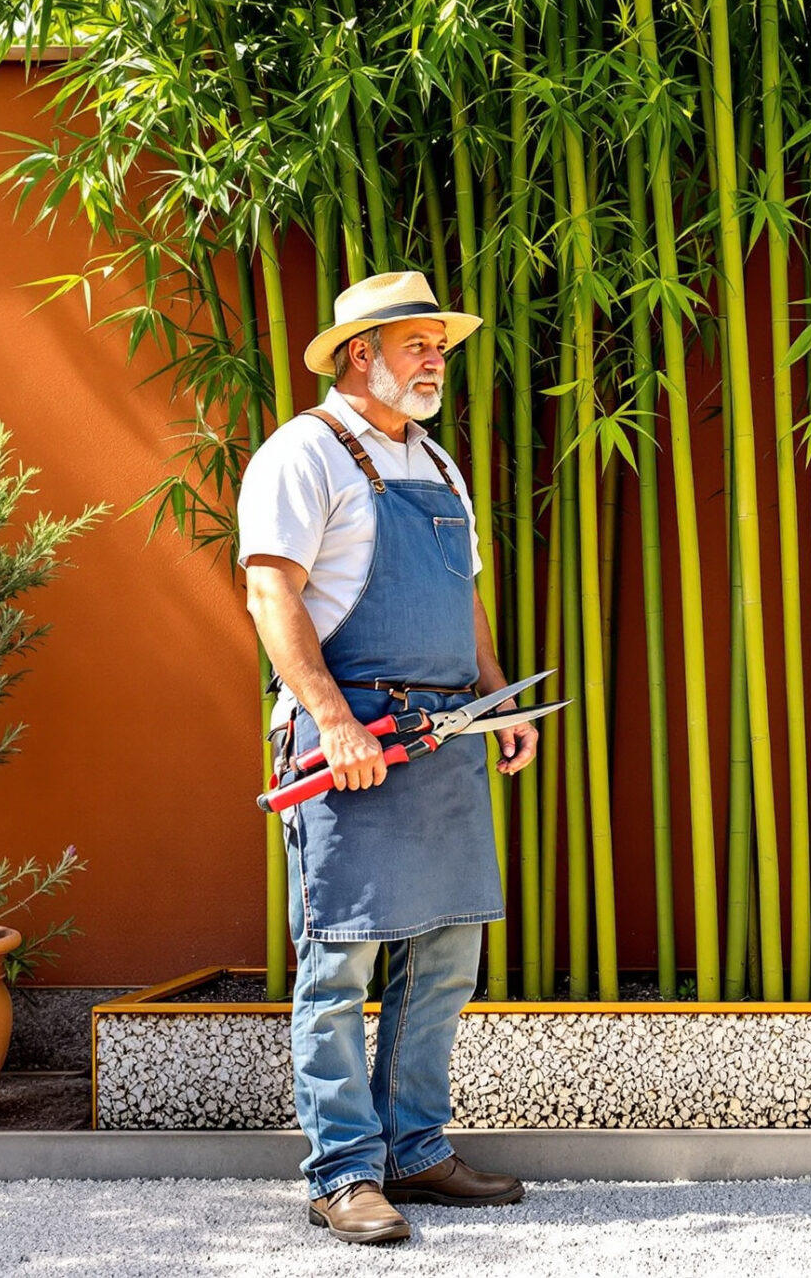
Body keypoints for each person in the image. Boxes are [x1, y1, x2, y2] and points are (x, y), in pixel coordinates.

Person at [239, 269, 540, 1244]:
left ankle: (415, 1147)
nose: (435, 361)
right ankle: (342, 1172)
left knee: (447, 953)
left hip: (446, 738)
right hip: (354, 744)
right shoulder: (304, 454)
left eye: (439, 347)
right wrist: (331, 720)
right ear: (359, 354)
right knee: (340, 961)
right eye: (418, 344)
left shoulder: (440, 467)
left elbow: (466, 597)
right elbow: (271, 595)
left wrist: (498, 701)